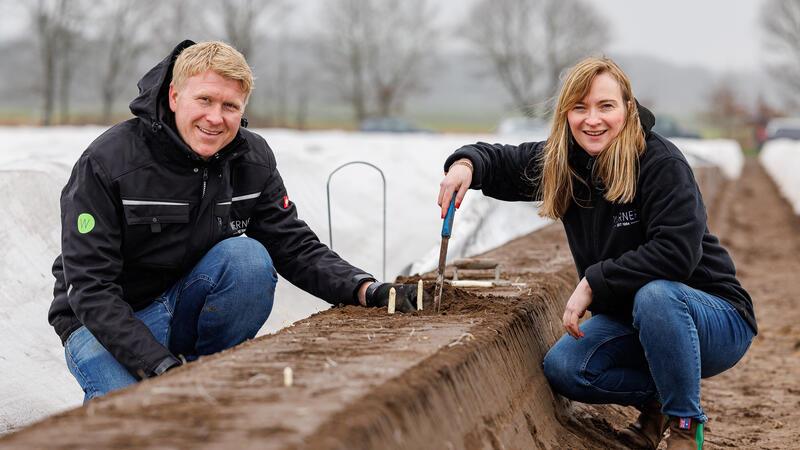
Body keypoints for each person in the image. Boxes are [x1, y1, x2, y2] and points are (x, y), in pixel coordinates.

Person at [49, 40, 417, 401]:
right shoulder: (109, 162)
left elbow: (292, 244)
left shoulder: (251, 158)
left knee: (248, 259)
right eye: (205, 100)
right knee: (134, 414)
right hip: (102, 322)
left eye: (230, 106)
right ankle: (173, 386)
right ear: (175, 97)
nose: (215, 117)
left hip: (185, 303)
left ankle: (208, 378)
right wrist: (161, 368)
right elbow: (91, 287)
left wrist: (365, 289)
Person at [437, 57, 756, 449]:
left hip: (714, 317)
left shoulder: (659, 162)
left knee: (656, 295)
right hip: (636, 321)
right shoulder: (566, 162)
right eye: (580, 107)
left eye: (606, 106)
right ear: (566, 113)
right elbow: (503, 160)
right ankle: (658, 402)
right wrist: (466, 165)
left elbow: (675, 254)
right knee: (566, 368)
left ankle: (685, 426)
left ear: (627, 108)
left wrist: (593, 282)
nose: (593, 120)